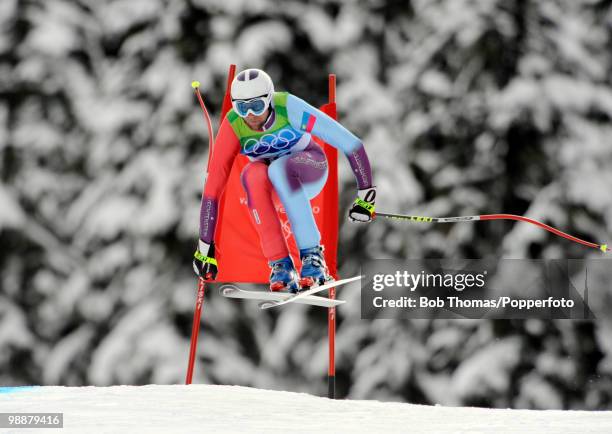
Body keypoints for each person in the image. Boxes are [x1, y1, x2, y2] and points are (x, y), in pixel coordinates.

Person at [193, 68, 375, 292]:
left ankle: (312, 258)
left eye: (257, 106)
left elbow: (351, 143)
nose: (250, 114)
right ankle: (280, 265)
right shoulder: (234, 125)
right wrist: (205, 248)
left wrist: (366, 197)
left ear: (269, 99)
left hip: (310, 169)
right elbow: (213, 187)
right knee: (251, 175)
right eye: (242, 107)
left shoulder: (287, 107)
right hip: (275, 187)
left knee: (279, 168)